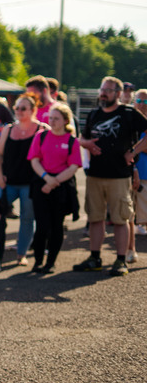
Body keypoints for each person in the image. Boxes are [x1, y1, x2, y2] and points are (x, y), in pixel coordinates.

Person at [74, 76, 147, 276]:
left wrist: (133, 152)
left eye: (108, 89)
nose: (103, 93)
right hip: (95, 175)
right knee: (95, 217)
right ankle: (95, 258)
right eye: (102, 89)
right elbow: (83, 137)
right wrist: (86, 144)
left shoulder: (128, 113)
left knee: (121, 219)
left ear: (117, 93)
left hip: (120, 175)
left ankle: (121, 260)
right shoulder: (94, 114)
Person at [0, 93, 46, 268]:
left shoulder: (42, 130)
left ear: (33, 110)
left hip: (30, 183)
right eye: (17, 108)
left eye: (23, 108)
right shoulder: (9, 129)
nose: (19, 111)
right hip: (8, 182)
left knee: (28, 217)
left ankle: (21, 254)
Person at [28, 103, 82, 273]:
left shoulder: (72, 141)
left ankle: (50, 262)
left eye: (56, 118)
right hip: (41, 185)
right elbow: (34, 160)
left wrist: (54, 182)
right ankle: (38, 260)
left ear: (66, 120)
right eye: (50, 118)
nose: (52, 121)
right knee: (42, 225)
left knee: (56, 226)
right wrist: (46, 178)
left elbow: (74, 166)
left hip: (61, 188)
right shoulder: (41, 136)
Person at [132, 89, 147, 239]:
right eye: (139, 100)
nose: (142, 104)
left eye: (146, 101)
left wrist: (134, 149)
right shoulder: (128, 119)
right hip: (130, 170)